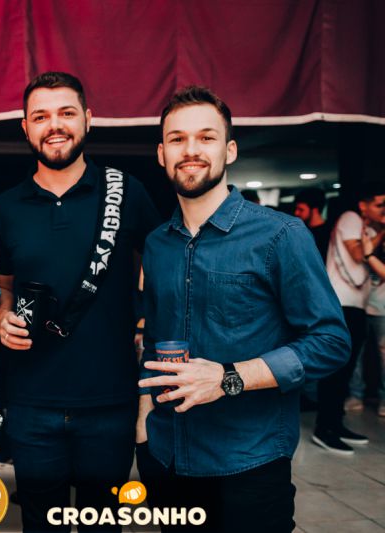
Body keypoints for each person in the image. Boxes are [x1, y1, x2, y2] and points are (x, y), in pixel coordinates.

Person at [136, 86, 350, 533]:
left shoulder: (280, 235)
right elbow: (154, 339)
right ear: (161, 153)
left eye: (206, 137)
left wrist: (229, 378)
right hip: (168, 457)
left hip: (250, 462)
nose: (190, 150)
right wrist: (144, 428)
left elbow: (331, 341)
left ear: (229, 150)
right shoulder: (157, 244)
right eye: (177, 139)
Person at [0, 71, 160, 532]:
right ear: (25, 127)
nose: (54, 125)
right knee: (40, 525)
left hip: (110, 403)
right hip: (31, 403)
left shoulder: (128, 192)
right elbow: (3, 285)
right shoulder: (8, 206)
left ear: (88, 118)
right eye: (40, 116)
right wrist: (4, 315)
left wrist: (144, 323)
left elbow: (165, 268)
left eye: (66, 113)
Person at [314, 182, 385, 452]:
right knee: (336, 369)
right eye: (379, 204)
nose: (384, 209)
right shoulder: (350, 218)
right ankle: (324, 428)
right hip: (340, 304)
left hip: (357, 305)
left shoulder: (368, 229)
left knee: (345, 369)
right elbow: (358, 255)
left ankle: (336, 423)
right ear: (363, 205)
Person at [362, 217, 385, 416]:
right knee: (360, 355)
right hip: (364, 303)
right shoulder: (371, 234)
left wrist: (368, 254)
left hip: (383, 308)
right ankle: (355, 396)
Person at [294, 187, 330, 261]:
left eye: (301, 209)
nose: (296, 213)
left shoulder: (329, 233)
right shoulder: (300, 231)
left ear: (315, 210)